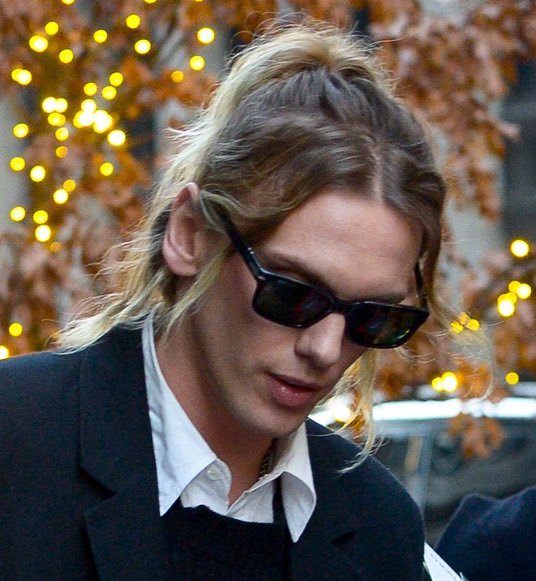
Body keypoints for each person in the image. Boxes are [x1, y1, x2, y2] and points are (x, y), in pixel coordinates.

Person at [0, 21, 447, 580]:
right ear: (189, 233)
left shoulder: (379, 524)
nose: (326, 348)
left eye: (374, 318)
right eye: (291, 293)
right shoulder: (16, 443)